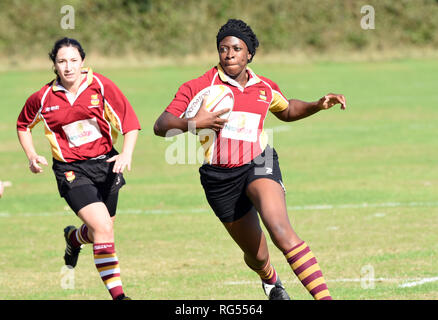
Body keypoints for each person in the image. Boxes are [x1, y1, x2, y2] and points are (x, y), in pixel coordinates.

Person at [154, 19, 346, 300]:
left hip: (259, 161)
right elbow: (161, 125)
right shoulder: (198, 86)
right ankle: (270, 280)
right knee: (256, 255)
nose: (229, 54)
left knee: (281, 230)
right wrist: (194, 123)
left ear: (249, 54)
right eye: (223, 48)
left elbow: (287, 109)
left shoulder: (264, 87)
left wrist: (317, 104)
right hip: (219, 177)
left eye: (236, 48)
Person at [16, 37, 141, 300]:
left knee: (100, 231)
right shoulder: (43, 97)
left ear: (83, 62)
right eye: (62, 61)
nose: (68, 67)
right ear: (54, 65)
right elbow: (23, 125)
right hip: (71, 170)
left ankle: (74, 238)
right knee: (104, 229)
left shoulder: (101, 86)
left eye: (74, 60)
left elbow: (129, 122)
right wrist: (31, 155)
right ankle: (119, 296)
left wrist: (126, 154)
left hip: (107, 165)